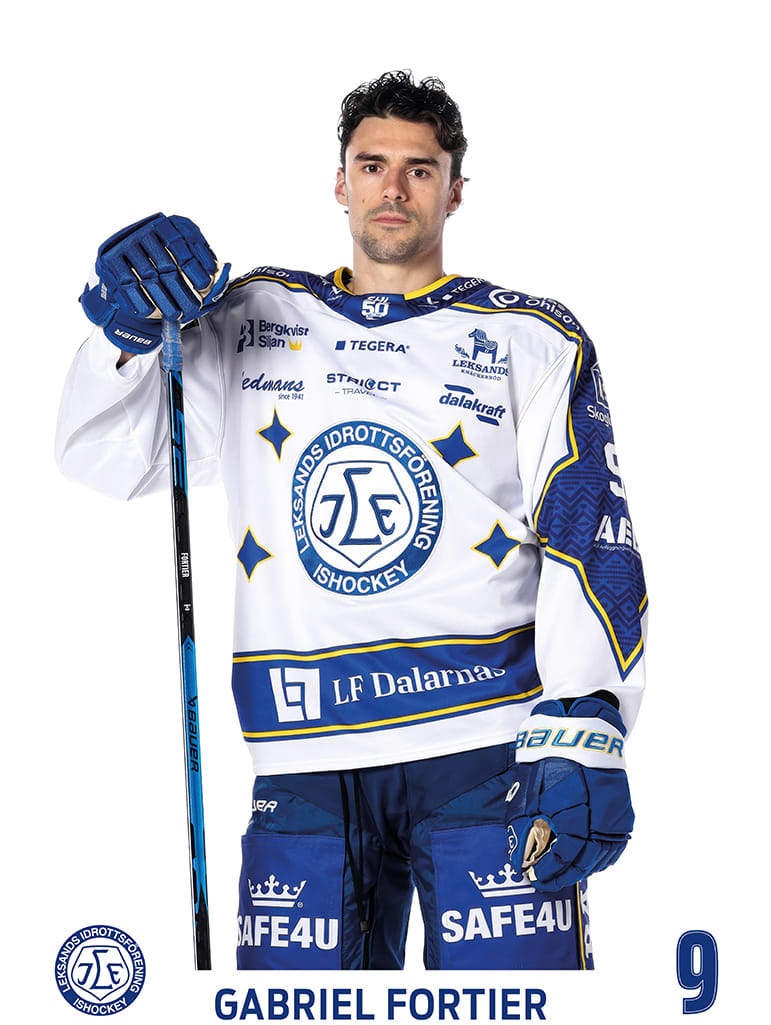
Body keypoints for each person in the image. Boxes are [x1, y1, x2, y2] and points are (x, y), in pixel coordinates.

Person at [55, 70, 647, 971]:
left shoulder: (530, 336)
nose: (393, 188)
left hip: (483, 747)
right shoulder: (251, 317)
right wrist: (125, 339)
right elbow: (109, 457)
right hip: (301, 755)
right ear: (340, 182)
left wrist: (584, 722)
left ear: (455, 189)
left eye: (419, 169)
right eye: (372, 166)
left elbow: (586, 530)